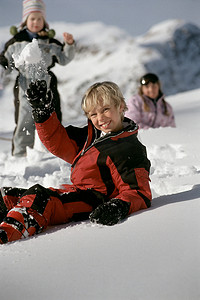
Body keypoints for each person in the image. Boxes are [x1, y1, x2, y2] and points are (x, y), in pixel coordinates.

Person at [0, 80, 152, 244]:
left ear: (121, 106)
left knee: (39, 199)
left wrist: (118, 206)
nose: (100, 118)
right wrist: (43, 112)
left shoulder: (128, 147)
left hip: (94, 201)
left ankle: (6, 233)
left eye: (106, 109)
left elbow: (139, 192)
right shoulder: (92, 136)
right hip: (78, 191)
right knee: (8, 196)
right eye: (93, 114)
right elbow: (59, 142)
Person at [0, 0, 75, 157]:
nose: (36, 22)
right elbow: (5, 61)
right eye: (32, 18)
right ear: (25, 20)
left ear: (44, 21)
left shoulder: (49, 41)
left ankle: (55, 153)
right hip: (24, 84)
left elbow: (64, 59)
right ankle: (21, 154)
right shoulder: (16, 41)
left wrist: (69, 45)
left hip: (47, 83)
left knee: (51, 117)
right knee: (24, 119)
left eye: (39, 18)